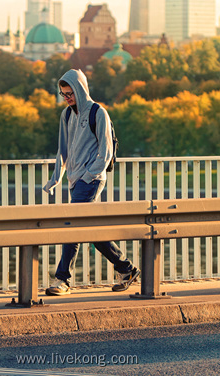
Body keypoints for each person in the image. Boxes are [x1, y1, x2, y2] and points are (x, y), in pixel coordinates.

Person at [42, 69, 140, 296]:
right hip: (75, 181)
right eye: (63, 94)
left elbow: (106, 153)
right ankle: (125, 268)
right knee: (88, 229)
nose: (67, 98)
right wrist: (56, 178)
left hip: (92, 179)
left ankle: (62, 279)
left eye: (70, 93)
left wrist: (88, 175)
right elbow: (62, 150)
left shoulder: (98, 113)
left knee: (71, 226)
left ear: (80, 89)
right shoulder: (66, 115)